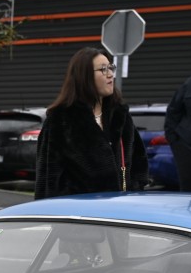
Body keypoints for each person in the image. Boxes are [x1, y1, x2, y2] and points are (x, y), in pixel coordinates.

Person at [34, 46, 147, 199]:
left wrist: (136, 188)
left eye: (111, 68)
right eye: (103, 70)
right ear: (84, 76)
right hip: (79, 209)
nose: (110, 74)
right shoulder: (61, 119)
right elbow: (48, 177)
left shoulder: (120, 115)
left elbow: (138, 160)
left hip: (120, 206)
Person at [164, 71, 191, 191]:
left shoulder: (190, 84)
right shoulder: (190, 85)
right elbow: (173, 112)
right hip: (187, 145)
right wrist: (175, 140)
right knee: (189, 190)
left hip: (186, 142)